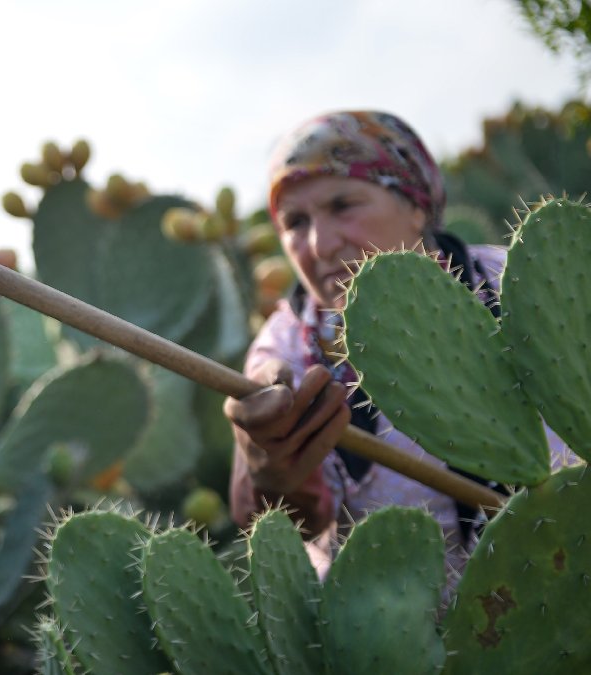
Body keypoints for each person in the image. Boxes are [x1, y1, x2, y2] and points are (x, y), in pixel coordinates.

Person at [224, 110, 574, 582]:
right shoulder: (285, 350)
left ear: (416, 205)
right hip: (402, 644)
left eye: (343, 204)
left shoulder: (515, 285)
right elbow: (275, 519)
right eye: (295, 222)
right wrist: (270, 467)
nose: (320, 243)